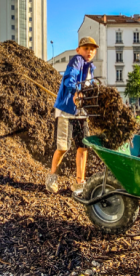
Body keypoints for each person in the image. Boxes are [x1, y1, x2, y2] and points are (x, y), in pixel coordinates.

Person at [46, 37, 98, 195]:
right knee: (62, 147)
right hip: (66, 111)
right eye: (86, 48)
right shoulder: (77, 60)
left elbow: (88, 89)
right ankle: (52, 176)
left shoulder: (91, 68)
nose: (89, 51)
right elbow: (70, 79)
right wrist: (76, 92)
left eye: (92, 49)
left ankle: (79, 183)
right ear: (78, 50)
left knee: (83, 147)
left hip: (82, 113)